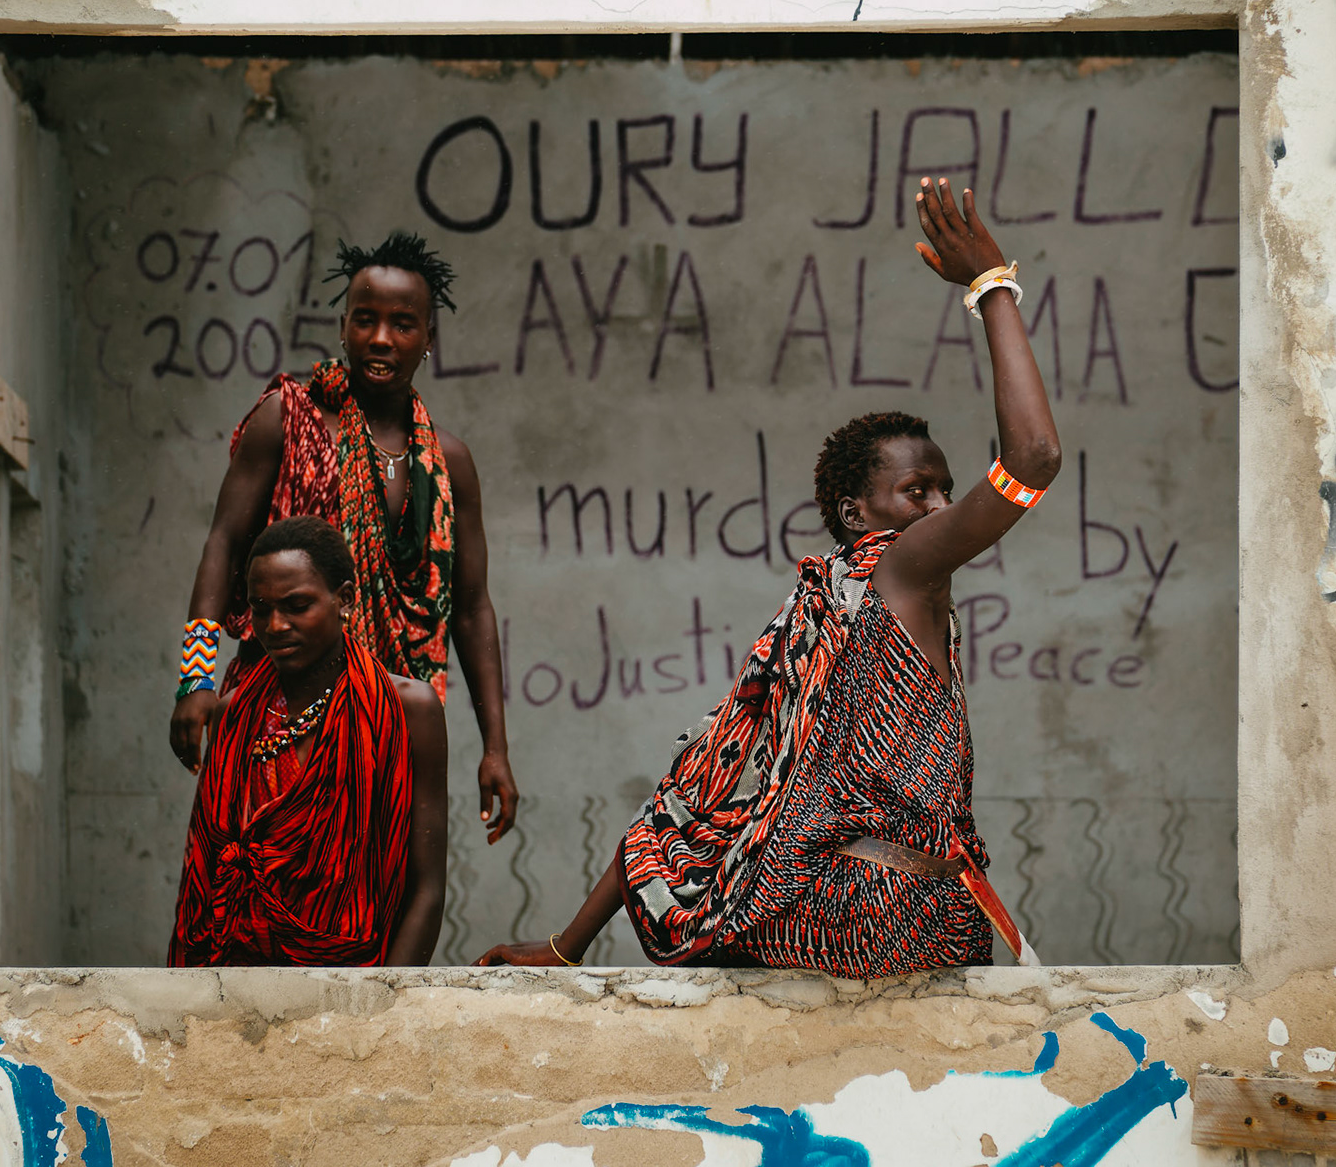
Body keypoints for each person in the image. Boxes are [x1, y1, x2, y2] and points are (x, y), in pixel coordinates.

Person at [476, 176, 1058, 976]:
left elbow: (688, 798)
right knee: (699, 853)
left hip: (874, 913)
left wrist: (563, 945)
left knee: (692, 872)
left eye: (946, 488)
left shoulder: (837, 598)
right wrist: (994, 288)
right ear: (858, 513)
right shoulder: (899, 567)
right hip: (919, 919)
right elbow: (1034, 458)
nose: (942, 505)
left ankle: (572, 959)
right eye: (916, 490)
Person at [168, 230, 518, 845]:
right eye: (366, 320)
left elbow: (471, 609)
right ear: (343, 326)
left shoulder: (449, 463)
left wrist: (495, 748)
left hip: (387, 719)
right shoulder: (287, 420)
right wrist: (195, 679)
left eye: (403, 324)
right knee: (253, 885)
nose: (381, 339)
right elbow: (222, 542)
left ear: (429, 339)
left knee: (367, 898)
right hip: (275, 705)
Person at [169, 516, 447, 966]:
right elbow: (204, 880)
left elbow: (427, 890)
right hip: (238, 990)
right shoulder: (233, 716)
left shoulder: (407, 709)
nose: (275, 625)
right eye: (260, 608)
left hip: (357, 986)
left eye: (297, 605)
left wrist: (386, 1010)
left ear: (345, 600)